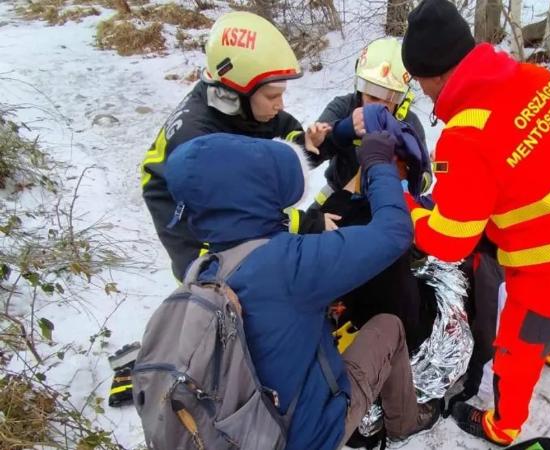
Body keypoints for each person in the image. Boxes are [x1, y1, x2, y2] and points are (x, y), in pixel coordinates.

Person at [400, 0, 550, 446]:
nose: (422, 91)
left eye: (420, 81)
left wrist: (406, 205)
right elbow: (530, 174)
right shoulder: (541, 81)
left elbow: (449, 241)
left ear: (436, 75)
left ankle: (503, 425)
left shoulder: (466, 135)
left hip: (548, 282)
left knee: (515, 357)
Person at [165, 132, 441, 450]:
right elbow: (394, 233)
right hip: (305, 436)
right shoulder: (290, 264)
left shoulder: (203, 267)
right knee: (390, 326)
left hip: (237, 428)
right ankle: (405, 422)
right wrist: (378, 163)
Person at [140, 11, 328, 281]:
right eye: (273, 96)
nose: (281, 104)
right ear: (235, 92)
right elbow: (244, 214)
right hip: (190, 227)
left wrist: (303, 144)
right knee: (230, 289)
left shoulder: (235, 106)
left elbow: (276, 130)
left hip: (213, 197)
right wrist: (308, 223)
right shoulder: (199, 141)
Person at [291, 37, 427, 234]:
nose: (377, 107)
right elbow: (307, 161)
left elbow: (424, 178)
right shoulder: (342, 107)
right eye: (371, 96)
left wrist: (409, 175)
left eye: (387, 99)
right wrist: (342, 131)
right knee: (308, 239)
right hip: (338, 195)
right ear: (360, 88)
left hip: (386, 203)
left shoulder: (409, 124)